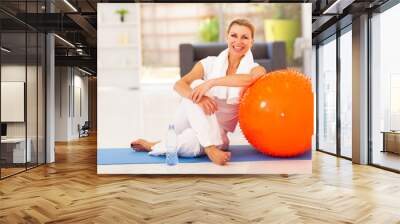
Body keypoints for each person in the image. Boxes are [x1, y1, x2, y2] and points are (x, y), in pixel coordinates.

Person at [131, 18, 266, 165]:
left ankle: (155, 145)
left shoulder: (255, 68)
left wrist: (212, 82)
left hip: (218, 133)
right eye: (234, 35)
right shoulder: (209, 63)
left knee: (191, 142)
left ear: (252, 42)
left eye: (245, 37)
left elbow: (251, 79)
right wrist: (199, 98)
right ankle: (209, 148)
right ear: (227, 36)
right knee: (195, 84)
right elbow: (179, 84)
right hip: (189, 118)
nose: (238, 41)